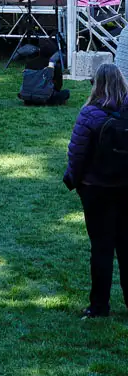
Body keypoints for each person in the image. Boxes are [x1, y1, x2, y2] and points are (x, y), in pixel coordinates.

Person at [64, 64, 128, 318]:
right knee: (126, 247)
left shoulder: (89, 113)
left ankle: (99, 306)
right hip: (125, 186)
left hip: (95, 188)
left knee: (101, 248)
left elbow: (76, 153)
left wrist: (72, 180)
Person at [19, 38, 70, 106]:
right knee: (66, 93)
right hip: (45, 97)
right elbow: (58, 86)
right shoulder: (54, 66)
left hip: (27, 96)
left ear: (39, 50)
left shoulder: (29, 63)